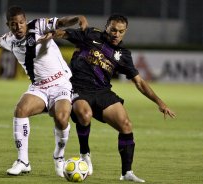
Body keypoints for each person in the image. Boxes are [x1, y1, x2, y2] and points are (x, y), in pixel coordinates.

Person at [52, 14, 176, 182]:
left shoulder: (123, 55)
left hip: (102, 91)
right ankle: (85, 153)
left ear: (125, 32)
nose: (116, 34)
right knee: (84, 114)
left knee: (126, 125)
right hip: (78, 87)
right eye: (113, 30)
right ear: (107, 27)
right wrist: (48, 34)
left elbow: (139, 82)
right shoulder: (91, 35)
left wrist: (160, 102)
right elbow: (63, 34)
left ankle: (127, 173)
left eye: (121, 31)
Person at [0, 6, 88, 177]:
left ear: (25, 21)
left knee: (62, 119)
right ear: (8, 25)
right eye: (13, 24)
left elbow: (61, 22)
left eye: (20, 23)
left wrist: (78, 17)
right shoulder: (9, 40)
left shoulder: (39, 25)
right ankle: (23, 161)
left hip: (61, 83)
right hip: (39, 86)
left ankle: (59, 156)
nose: (18, 27)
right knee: (20, 110)